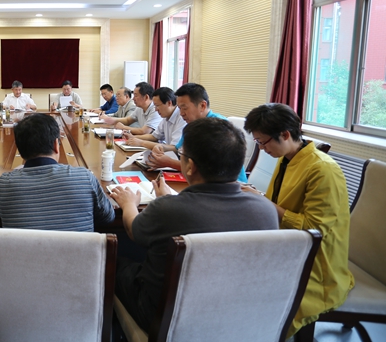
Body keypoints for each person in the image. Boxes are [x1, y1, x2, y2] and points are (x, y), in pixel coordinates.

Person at [110, 117, 278, 332]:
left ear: (190, 166)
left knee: (115, 260)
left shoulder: (168, 210)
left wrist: (128, 204)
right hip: (240, 316)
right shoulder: (267, 211)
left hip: (166, 318)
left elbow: (134, 230)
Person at [243, 103, 353, 337]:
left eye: (263, 142)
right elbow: (281, 202)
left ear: (285, 134)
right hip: (288, 245)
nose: (261, 148)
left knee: (261, 302)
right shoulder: (288, 158)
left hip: (316, 264)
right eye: (257, 142)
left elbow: (316, 229)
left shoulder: (322, 169)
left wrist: (263, 202)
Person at [0, 113, 115, 231]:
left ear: (19, 150)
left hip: (23, 247)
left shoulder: (4, 184)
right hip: (75, 247)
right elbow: (108, 217)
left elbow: (1, 214)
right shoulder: (84, 178)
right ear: (56, 145)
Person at [144, 83, 248, 182]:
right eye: (179, 109)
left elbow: (206, 168)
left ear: (202, 105)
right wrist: (162, 147)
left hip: (230, 185)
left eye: (184, 108)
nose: (181, 113)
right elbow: (177, 148)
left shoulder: (219, 127)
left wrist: (169, 162)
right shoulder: (192, 125)